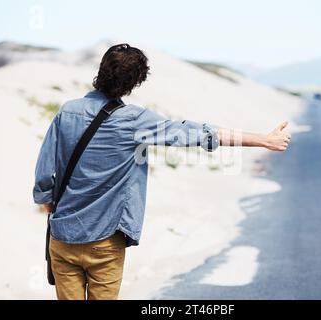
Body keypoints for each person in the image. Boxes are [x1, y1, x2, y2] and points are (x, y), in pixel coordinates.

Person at [33, 43, 291, 300]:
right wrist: (263, 140)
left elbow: (44, 175)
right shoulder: (134, 120)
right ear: (134, 83)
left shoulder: (67, 112)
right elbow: (195, 134)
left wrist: (50, 206)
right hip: (105, 241)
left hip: (63, 238)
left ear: (101, 71)